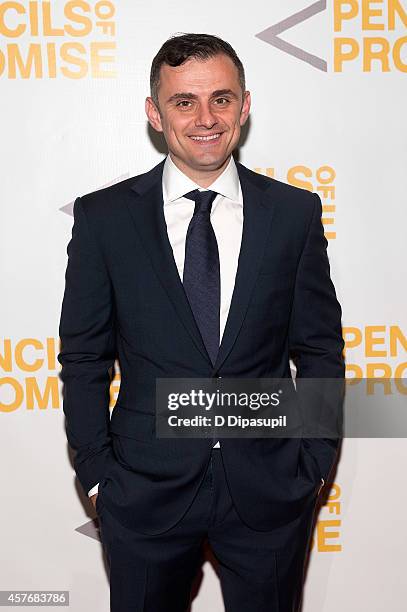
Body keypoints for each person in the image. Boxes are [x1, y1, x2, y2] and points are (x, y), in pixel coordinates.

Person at [58, 32, 345, 612]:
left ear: (244, 105)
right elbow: (85, 357)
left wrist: (312, 465)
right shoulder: (104, 219)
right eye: (184, 101)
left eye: (221, 98)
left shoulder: (294, 213)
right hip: (143, 492)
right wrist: (98, 475)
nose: (205, 118)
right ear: (155, 114)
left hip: (270, 491)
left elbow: (319, 349)